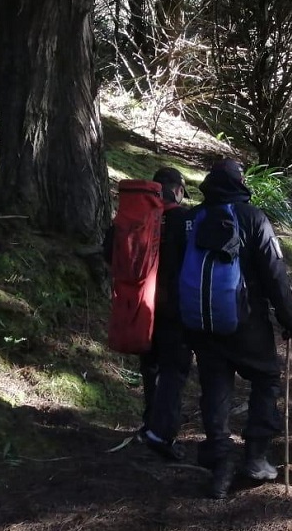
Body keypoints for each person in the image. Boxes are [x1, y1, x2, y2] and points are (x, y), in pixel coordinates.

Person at [180, 159, 292, 498]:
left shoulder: (191, 219)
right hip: (248, 324)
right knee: (265, 379)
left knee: (215, 387)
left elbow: (175, 270)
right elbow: (274, 273)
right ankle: (256, 456)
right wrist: (289, 319)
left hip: (202, 323)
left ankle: (220, 461)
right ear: (239, 184)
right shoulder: (252, 218)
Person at [104, 167, 192, 462]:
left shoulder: (134, 216)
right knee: (173, 371)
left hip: (141, 303)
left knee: (150, 367)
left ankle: (149, 423)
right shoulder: (185, 220)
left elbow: (110, 252)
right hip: (174, 308)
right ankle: (161, 433)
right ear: (178, 189)